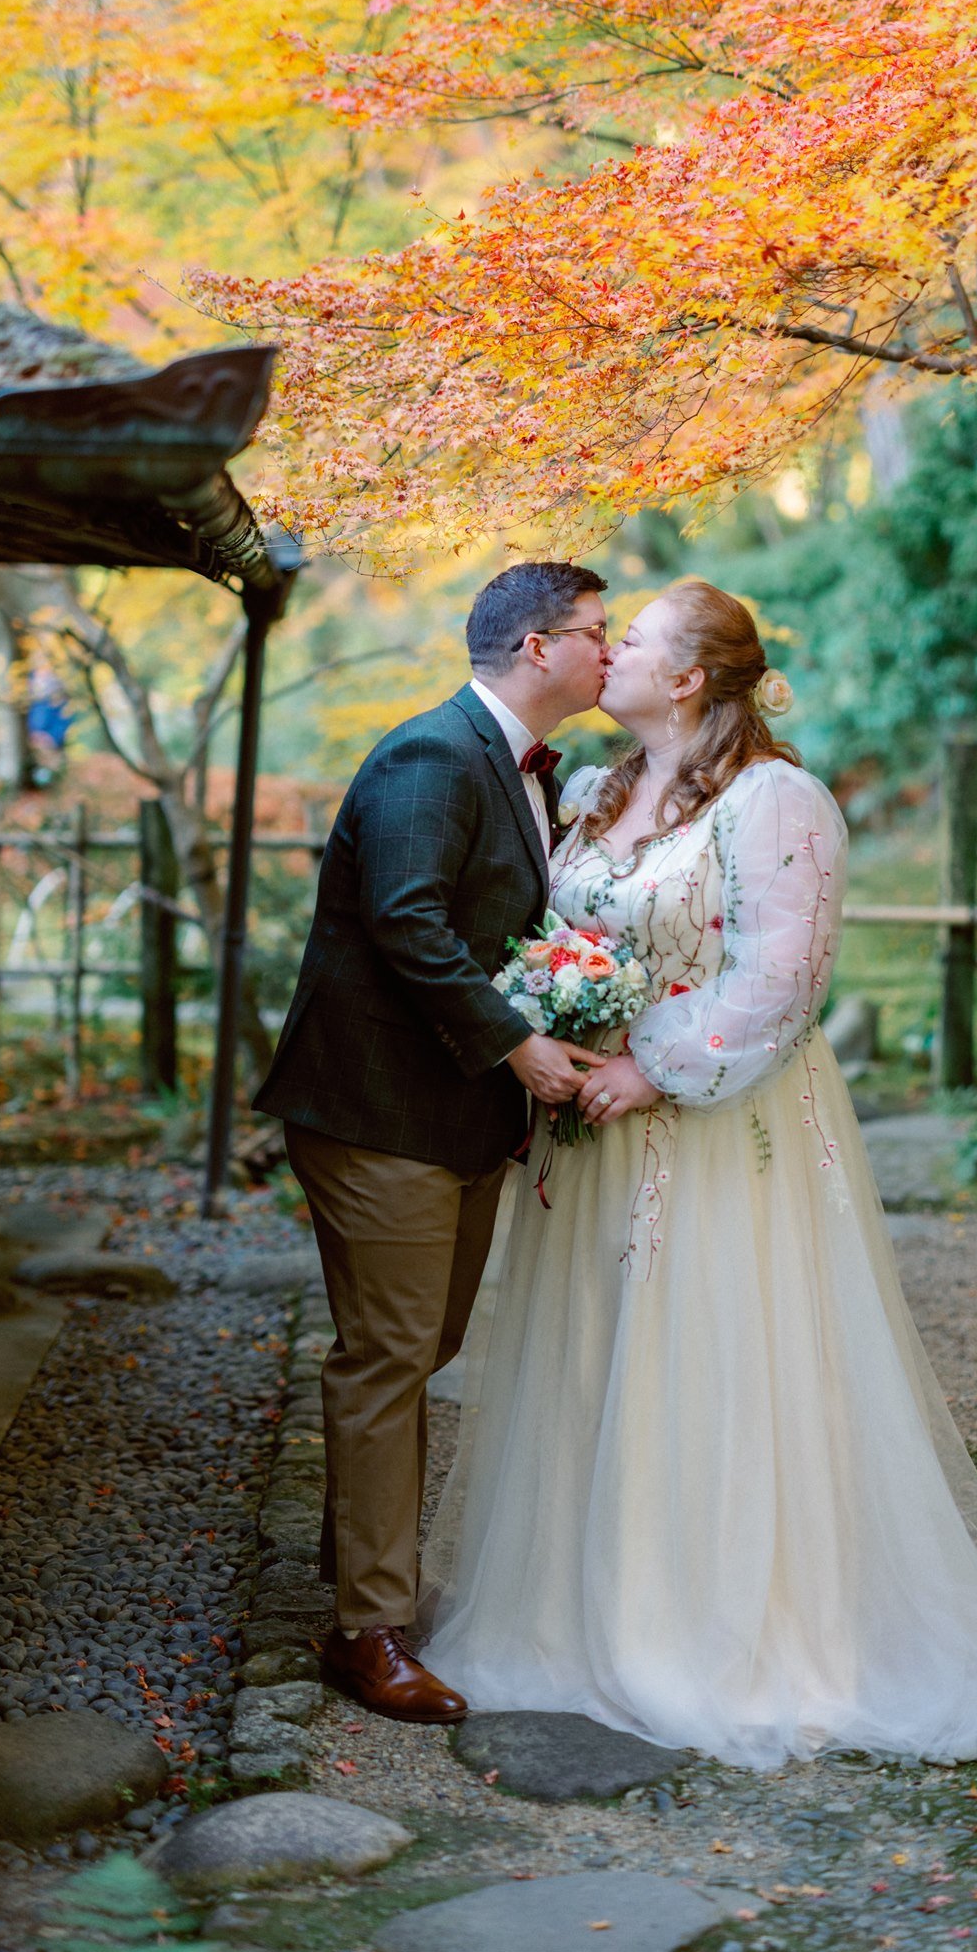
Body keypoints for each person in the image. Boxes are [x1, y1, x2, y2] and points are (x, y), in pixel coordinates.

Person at [421, 577, 977, 1768]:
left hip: (718, 1131)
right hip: (591, 1134)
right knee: (593, 1357)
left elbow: (784, 980)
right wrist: (557, 1027)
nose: (607, 655)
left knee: (713, 1353)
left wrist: (648, 1067)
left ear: (691, 676)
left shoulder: (779, 801)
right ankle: (578, 1615)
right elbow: (553, 942)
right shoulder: (601, 790)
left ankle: (728, 1627)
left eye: (634, 640)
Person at [256, 559, 613, 1723]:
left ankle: (362, 1560)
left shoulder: (511, 765)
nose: (611, 653)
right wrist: (520, 1046)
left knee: (425, 1341)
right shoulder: (430, 754)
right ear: (536, 648)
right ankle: (368, 1626)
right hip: (377, 1109)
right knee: (390, 1355)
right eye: (597, 634)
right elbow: (403, 917)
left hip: (455, 1114)